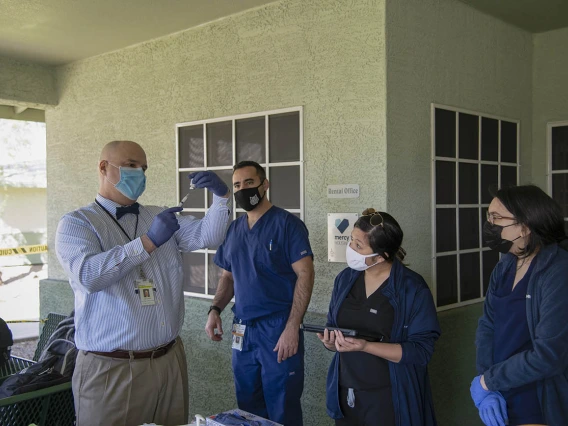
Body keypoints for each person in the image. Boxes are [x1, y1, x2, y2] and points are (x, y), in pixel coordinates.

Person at [55, 140, 231, 426]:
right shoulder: (77, 223)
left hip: (169, 360)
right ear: (103, 167)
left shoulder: (157, 215)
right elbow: (89, 275)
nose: (141, 174)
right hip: (112, 369)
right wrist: (147, 242)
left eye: (144, 168)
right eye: (132, 166)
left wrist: (221, 197)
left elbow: (207, 236)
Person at [205, 160, 314, 425]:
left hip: (278, 329)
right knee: (248, 407)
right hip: (242, 329)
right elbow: (227, 276)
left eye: (249, 183)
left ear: (265, 185)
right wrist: (215, 309)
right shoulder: (234, 229)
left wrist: (292, 326)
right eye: (237, 185)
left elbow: (305, 274)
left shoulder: (287, 224)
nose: (243, 190)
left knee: (282, 406)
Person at [319, 208, 440, 426]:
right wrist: (330, 343)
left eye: (358, 245)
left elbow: (421, 351)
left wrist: (366, 346)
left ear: (382, 255)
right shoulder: (345, 280)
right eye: (350, 240)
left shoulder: (411, 288)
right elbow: (333, 326)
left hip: (389, 397)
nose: (350, 249)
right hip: (346, 392)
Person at [472, 185, 568, 426]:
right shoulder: (505, 266)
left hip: (537, 396)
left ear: (525, 226)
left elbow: (549, 355)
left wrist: (487, 382)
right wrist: (486, 383)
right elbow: (487, 326)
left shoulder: (557, 271)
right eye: (488, 216)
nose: (489, 224)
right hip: (501, 390)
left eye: (496, 218)